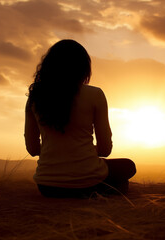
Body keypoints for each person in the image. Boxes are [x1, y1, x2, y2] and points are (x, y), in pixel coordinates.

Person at [25, 39, 136, 198]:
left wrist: (59, 152)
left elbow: (33, 149)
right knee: (128, 166)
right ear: (83, 68)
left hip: (47, 186)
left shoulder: (35, 98)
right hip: (87, 182)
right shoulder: (95, 95)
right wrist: (83, 152)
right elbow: (105, 150)